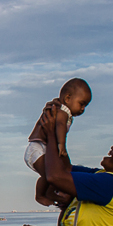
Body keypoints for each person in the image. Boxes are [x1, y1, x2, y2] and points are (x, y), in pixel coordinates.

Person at [25, 78, 93, 206]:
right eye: (81, 103)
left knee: (55, 172)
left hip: (43, 148)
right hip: (38, 149)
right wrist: (61, 145)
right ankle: (41, 195)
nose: (83, 109)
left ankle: (50, 193)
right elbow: (60, 126)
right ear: (68, 99)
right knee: (50, 174)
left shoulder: (59, 108)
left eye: (85, 106)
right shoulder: (62, 111)